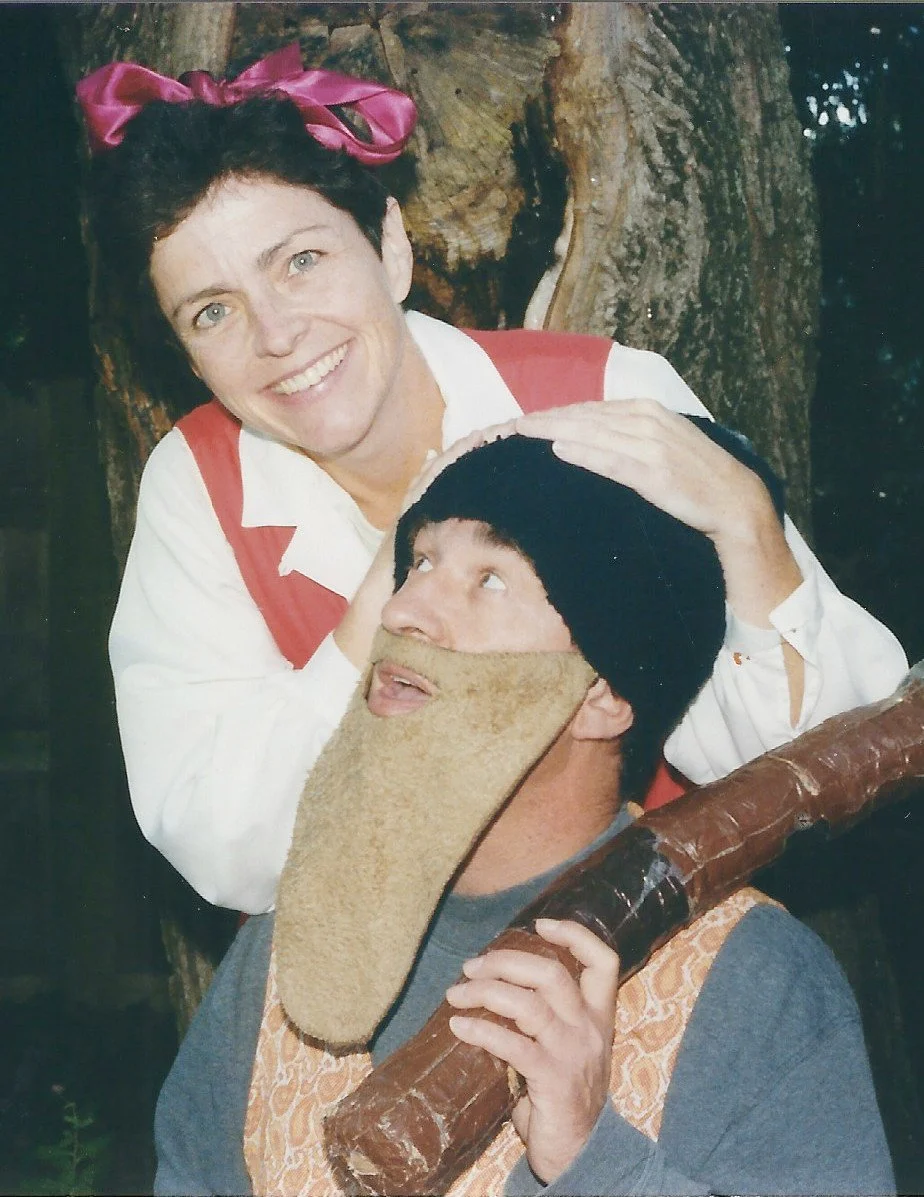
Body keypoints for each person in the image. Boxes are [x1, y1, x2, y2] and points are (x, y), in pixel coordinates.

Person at [77, 46, 908, 914]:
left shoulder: (602, 395)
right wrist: (383, 595)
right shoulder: (198, 486)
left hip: (652, 950)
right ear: (186, 356)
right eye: (212, 311)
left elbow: (820, 770)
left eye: (302, 261)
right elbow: (225, 845)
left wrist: (747, 524)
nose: (276, 333)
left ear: (390, 247)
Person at [153, 431, 893, 1197]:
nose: (406, 609)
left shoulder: (757, 986)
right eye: (421, 562)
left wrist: (592, 1156)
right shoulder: (289, 945)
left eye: (491, 581)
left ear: (604, 696)